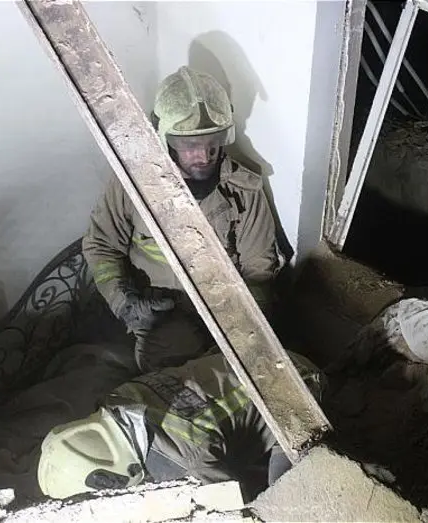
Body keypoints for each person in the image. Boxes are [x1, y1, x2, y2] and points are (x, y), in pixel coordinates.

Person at [82, 66, 285, 372]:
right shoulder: (132, 184)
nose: (204, 155)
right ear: (165, 139)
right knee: (168, 373)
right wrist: (125, 303)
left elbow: (258, 270)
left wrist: (245, 326)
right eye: (189, 145)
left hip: (223, 310)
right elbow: (101, 245)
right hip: (159, 311)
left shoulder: (244, 191)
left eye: (213, 141)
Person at [35, 349, 324, 501]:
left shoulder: (185, 464)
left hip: (297, 388)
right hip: (262, 354)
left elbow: (232, 507)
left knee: (281, 500)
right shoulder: (119, 398)